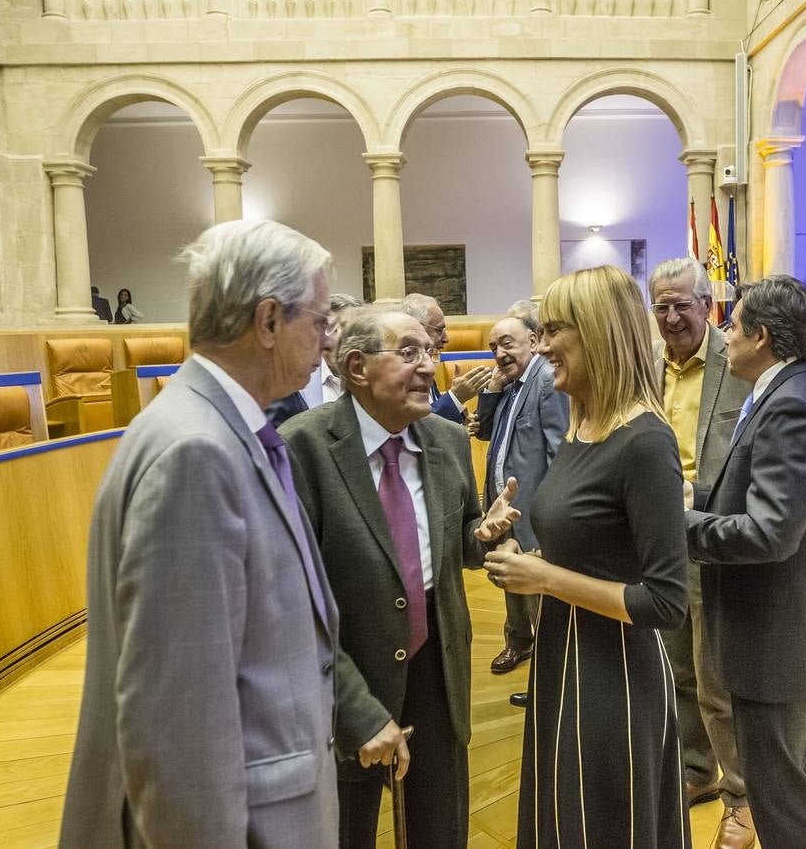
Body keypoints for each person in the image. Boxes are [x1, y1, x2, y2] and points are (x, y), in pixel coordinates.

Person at [60, 220, 341, 847]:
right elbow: (178, 725)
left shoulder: (215, 428)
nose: (327, 341)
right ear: (268, 322)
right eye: (319, 322)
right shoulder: (197, 453)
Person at [280, 307, 515, 849]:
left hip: (438, 661)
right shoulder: (304, 448)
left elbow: (459, 542)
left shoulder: (448, 441)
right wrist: (353, 707)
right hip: (349, 667)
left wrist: (482, 534)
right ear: (357, 367)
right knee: (345, 828)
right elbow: (292, 603)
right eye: (408, 353)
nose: (429, 367)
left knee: (440, 822)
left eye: (430, 352)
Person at [481, 264, 690, 848]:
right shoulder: (581, 423)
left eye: (553, 330)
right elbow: (593, 544)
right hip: (562, 661)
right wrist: (520, 553)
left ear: (596, 333)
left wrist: (543, 576)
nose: (541, 345)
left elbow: (665, 601)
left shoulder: (645, 440)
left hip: (616, 680)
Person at [684, 275, 806, 849]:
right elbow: (764, 503)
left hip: (773, 640)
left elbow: (770, 534)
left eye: (731, 326)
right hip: (786, 633)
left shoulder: (791, 407)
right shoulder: (803, 393)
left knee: (780, 794)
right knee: (800, 778)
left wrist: (675, 526)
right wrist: (703, 502)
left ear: (760, 336)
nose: (724, 337)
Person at [649, 258, 755, 848]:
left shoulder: (735, 361)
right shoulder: (645, 366)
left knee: (716, 679)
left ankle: (742, 797)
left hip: (712, 542)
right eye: (661, 305)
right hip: (658, 543)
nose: (671, 317)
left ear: (707, 305)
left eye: (681, 304)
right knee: (676, 668)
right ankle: (696, 772)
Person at [475, 310, 568, 678]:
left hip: (533, 512)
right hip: (503, 509)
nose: (499, 353)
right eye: (494, 347)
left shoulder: (545, 380)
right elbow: (482, 433)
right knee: (508, 580)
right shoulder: (511, 385)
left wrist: (550, 518)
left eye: (507, 344)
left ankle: (548, 679)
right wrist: (491, 390)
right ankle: (518, 642)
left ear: (533, 341)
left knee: (538, 597)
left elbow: (558, 452)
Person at [266, 292, 364, 427]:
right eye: (331, 328)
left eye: (352, 330)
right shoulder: (295, 381)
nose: (339, 338)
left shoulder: (375, 380)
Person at [400, 293, 490, 422]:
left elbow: (432, 416)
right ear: (417, 327)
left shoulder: (427, 367)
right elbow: (416, 426)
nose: (446, 338)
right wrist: (455, 397)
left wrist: (457, 426)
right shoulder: (402, 373)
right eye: (439, 330)